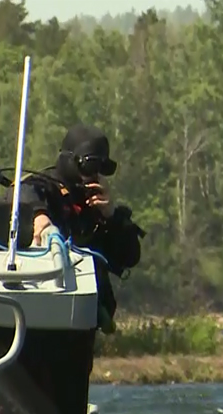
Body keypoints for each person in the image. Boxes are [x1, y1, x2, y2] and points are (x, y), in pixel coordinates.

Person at [17, 124, 144, 334]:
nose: (94, 175)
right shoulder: (42, 188)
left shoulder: (97, 206)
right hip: (40, 314)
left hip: (82, 320)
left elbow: (129, 257)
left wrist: (112, 217)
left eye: (102, 168)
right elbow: (20, 194)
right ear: (71, 160)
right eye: (90, 165)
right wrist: (39, 215)